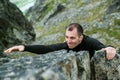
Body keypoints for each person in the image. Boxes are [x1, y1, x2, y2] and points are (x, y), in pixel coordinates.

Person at [4, 23, 116, 60]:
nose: (68, 41)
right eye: (66, 37)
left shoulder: (89, 42)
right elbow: (46, 49)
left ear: (80, 37)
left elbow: (102, 47)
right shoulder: (66, 45)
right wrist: (24, 47)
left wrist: (110, 48)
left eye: (72, 38)